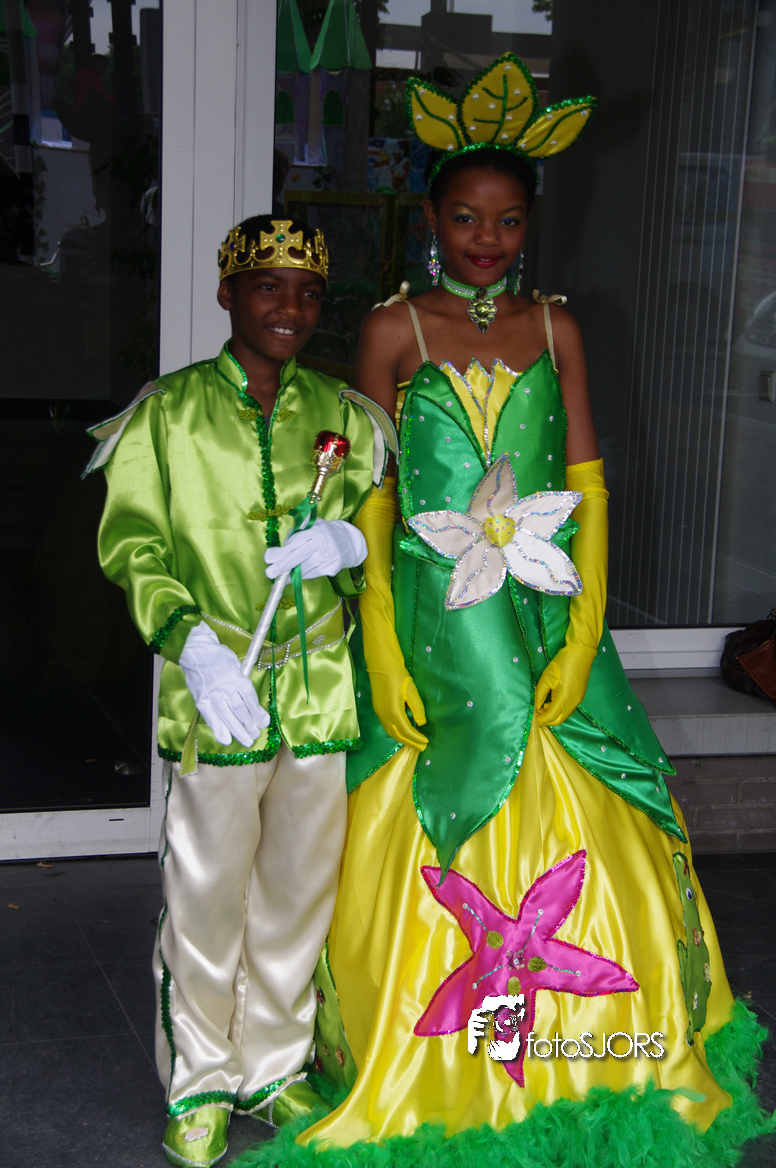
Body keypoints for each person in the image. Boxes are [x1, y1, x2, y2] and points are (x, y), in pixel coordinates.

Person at [239, 58, 772, 1168]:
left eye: (509, 220)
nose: (486, 238)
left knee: (592, 792)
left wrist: (584, 633)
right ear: (430, 218)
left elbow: (586, 483)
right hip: (432, 620)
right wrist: (382, 644)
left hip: (539, 602)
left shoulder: (557, 327)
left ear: (531, 226)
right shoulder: (392, 329)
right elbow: (371, 496)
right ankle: (430, 1063)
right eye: (466, 217)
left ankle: (591, 1054)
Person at [87, 214, 394, 1167]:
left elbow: (378, 538)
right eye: (268, 286)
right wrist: (192, 647)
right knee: (206, 895)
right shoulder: (166, 414)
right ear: (227, 294)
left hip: (319, 685)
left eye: (308, 292)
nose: (290, 307)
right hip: (216, 690)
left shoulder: (349, 416)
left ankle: (273, 1065)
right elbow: (133, 546)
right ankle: (201, 1081)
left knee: (298, 893)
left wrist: (350, 544)